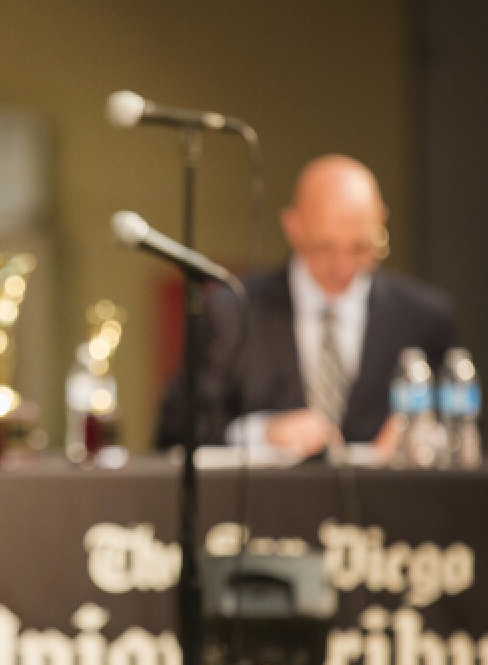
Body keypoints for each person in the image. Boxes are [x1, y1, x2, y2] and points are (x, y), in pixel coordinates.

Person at [156, 154, 455, 459]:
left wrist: (423, 435)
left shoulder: (423, 317)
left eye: (361, 248)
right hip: (270, 503)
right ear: (294, 227)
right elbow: (175, 428)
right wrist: (264, 432)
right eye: (325, 247)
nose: (344, 266)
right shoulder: (232, 309)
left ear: (381, 222)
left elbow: (464, 427)